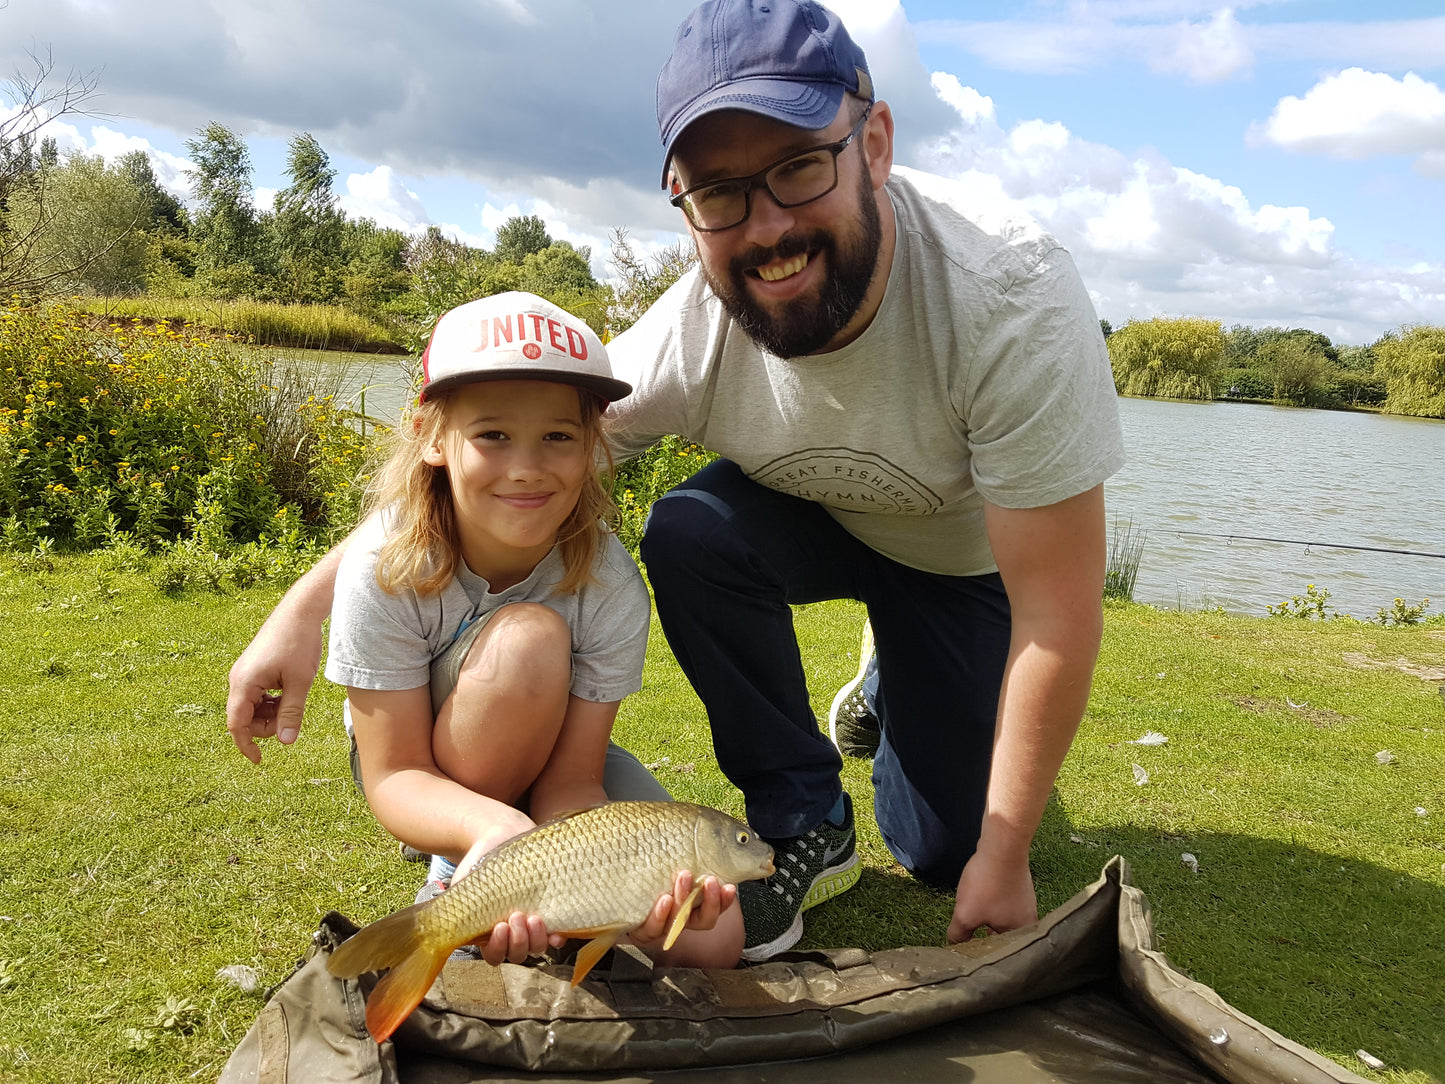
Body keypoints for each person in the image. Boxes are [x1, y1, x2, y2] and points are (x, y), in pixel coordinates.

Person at [228, 0, 1124, 962]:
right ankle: (803, 816)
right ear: (680, 201)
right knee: (689, 528)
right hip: (811, 521)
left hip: (959, 563)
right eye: (718, 193)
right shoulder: (687, 337)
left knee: (946, 850)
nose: (766, 225)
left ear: (873, 144)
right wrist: (301, 608)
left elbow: (1056, 616)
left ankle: (894, 674)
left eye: (798, 167)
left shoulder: (1009, 300)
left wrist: (1007, 848)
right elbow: (486, 468)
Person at [244, 290, 743, 971]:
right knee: (528, 644)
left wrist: (624, 902)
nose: (527, 466)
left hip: (552, 760)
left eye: (559, 437)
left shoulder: (611, 583)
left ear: (594, 445)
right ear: (431, 438)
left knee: (712, 938)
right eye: (493, 435)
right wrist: (496, 831)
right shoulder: (382, 565)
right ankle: (455, 873)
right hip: (420, 765)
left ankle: (541, 906)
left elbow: (572, 781)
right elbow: (395, 774)